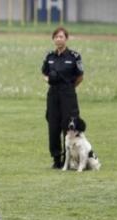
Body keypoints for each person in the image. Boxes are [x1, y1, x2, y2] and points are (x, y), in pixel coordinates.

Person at [41, 27, 84, 169]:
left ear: (66, 39)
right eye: (56, 37)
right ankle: (56, 159)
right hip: (53, 95)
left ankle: (70, 159)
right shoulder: (49, 57)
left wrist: (69, 88)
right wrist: (48, 80)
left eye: (61, 36)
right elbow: (44, 73)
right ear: (53, 39)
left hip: (68, 95)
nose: (59, 39)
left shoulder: (74, 56)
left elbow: (80, 77)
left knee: (69, 126)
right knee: (53, 126)